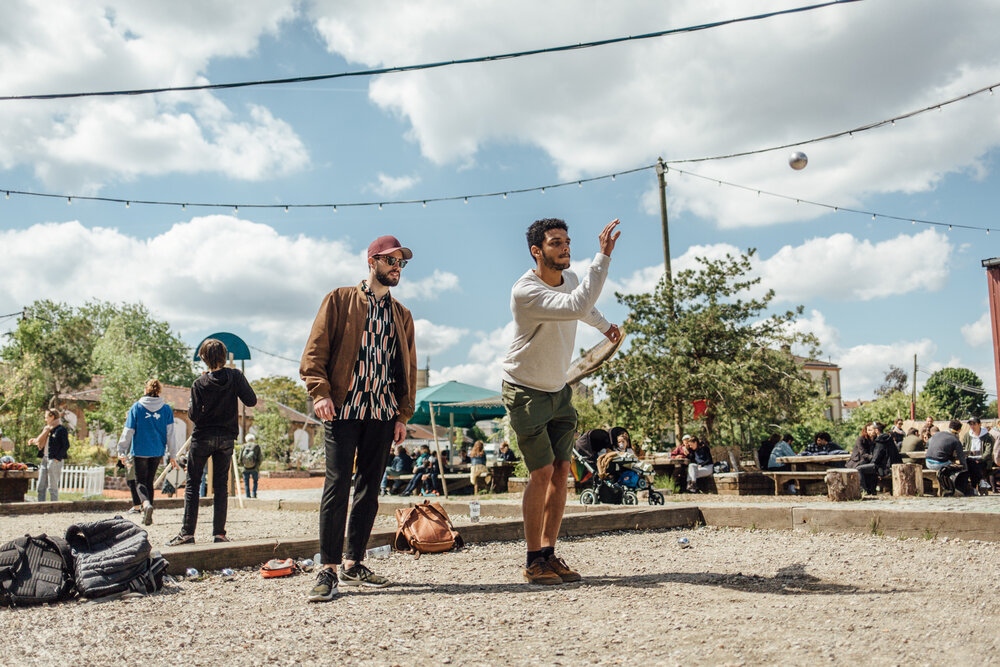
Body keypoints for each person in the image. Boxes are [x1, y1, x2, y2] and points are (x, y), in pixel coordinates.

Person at [501, 217, 621, 585]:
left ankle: (550, 554)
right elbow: (575, 304)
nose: (565, 247)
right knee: (539, 474)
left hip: (558, 389)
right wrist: (602, 257)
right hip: (525, 390)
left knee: (562, 472)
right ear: (537, 251)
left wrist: (605, 327)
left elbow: (582, 306)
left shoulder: (567, 280)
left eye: (567, 241)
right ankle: (532, 558)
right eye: (555, 243)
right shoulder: (526, 291)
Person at [300, 235, 417, 602]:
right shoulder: (338, 300)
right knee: (337, 487)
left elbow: (408, 369)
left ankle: (353, 563)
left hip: (383, 412)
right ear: (372, 261)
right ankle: (328, 569)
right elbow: (315, 350)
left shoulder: (402, 314)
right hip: (343, 408)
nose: (397, 268)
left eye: (401, 263)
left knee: (369, 489)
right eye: (391, 261)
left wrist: (402, 414)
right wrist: (319, 393)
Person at [168, 338, 257, 547]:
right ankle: (219, 534)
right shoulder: (235, 376)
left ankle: (187, 534)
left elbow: (193, 416)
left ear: (204, 359)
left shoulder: (199, 383)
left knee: (193, 485)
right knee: (220, 487)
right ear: (225, 357)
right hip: (226, 438)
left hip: (203, 438)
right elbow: (251, 401)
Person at [117, 379, 178, 526]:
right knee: (149, 481)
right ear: (159, 391)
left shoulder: (136, 407)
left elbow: (128, 431)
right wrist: (173, 455)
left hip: (140, 450)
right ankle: (148, 513)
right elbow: (171, 434)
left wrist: (121, 450)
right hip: (157, 450)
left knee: (140, 482)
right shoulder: (166, 409)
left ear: (145, 390)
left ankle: (145, 505)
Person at [29, 408, 70, 502]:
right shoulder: (47, 429)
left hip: (54, 460)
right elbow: (42, 441)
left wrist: (57, 458)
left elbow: (66, 445)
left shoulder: (61, 429)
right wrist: (34, 440)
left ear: (52, 417)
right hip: (45, 458)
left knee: (52, 487)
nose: (45, 419)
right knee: (41, 486)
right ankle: (40, 505)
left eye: (46, 417)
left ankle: (53, 506)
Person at [926, 420, 970, 496]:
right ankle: (953, 489)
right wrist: (965, 469)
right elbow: (961, 457)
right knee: (957, 467)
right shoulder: (955, 440)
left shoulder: (937, 434)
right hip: (939, 464)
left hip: (928, 462)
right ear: (959, 430)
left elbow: (928, 444)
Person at [961, 416, 994, 494]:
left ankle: (973, 486)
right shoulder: (967, 435)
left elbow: (988, 451)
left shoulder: (987, 436)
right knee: (971, 463)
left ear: (979, 425)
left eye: (974, 424)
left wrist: (981, 459)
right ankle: (981, 480)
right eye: (971, 425)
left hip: (983, 459)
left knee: (975, 464)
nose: (972, 426)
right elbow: (963, 447)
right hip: (970, 458)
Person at [846, 422, 878, 494]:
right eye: (868, 430)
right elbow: (863, 453)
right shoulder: (861, 439)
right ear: (866, 431)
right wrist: (873, 458)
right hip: (857, 461)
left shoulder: (876, 439)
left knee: (874, 468)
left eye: (871, 430)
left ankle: (871, 490)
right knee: (861, 468)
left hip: (867, 460)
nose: (870, 432)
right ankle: (863, 490)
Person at [240, 433, 262, 499]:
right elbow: (260, 458)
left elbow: (240, 458)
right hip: (254, 468)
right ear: (253, 439)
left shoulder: (243, 446)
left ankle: (247, 495)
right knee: (255, 481)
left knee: (246, 482)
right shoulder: (256, 446)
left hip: (245, 468)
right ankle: (254, 494)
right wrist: (257, 466)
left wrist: (243, 465)